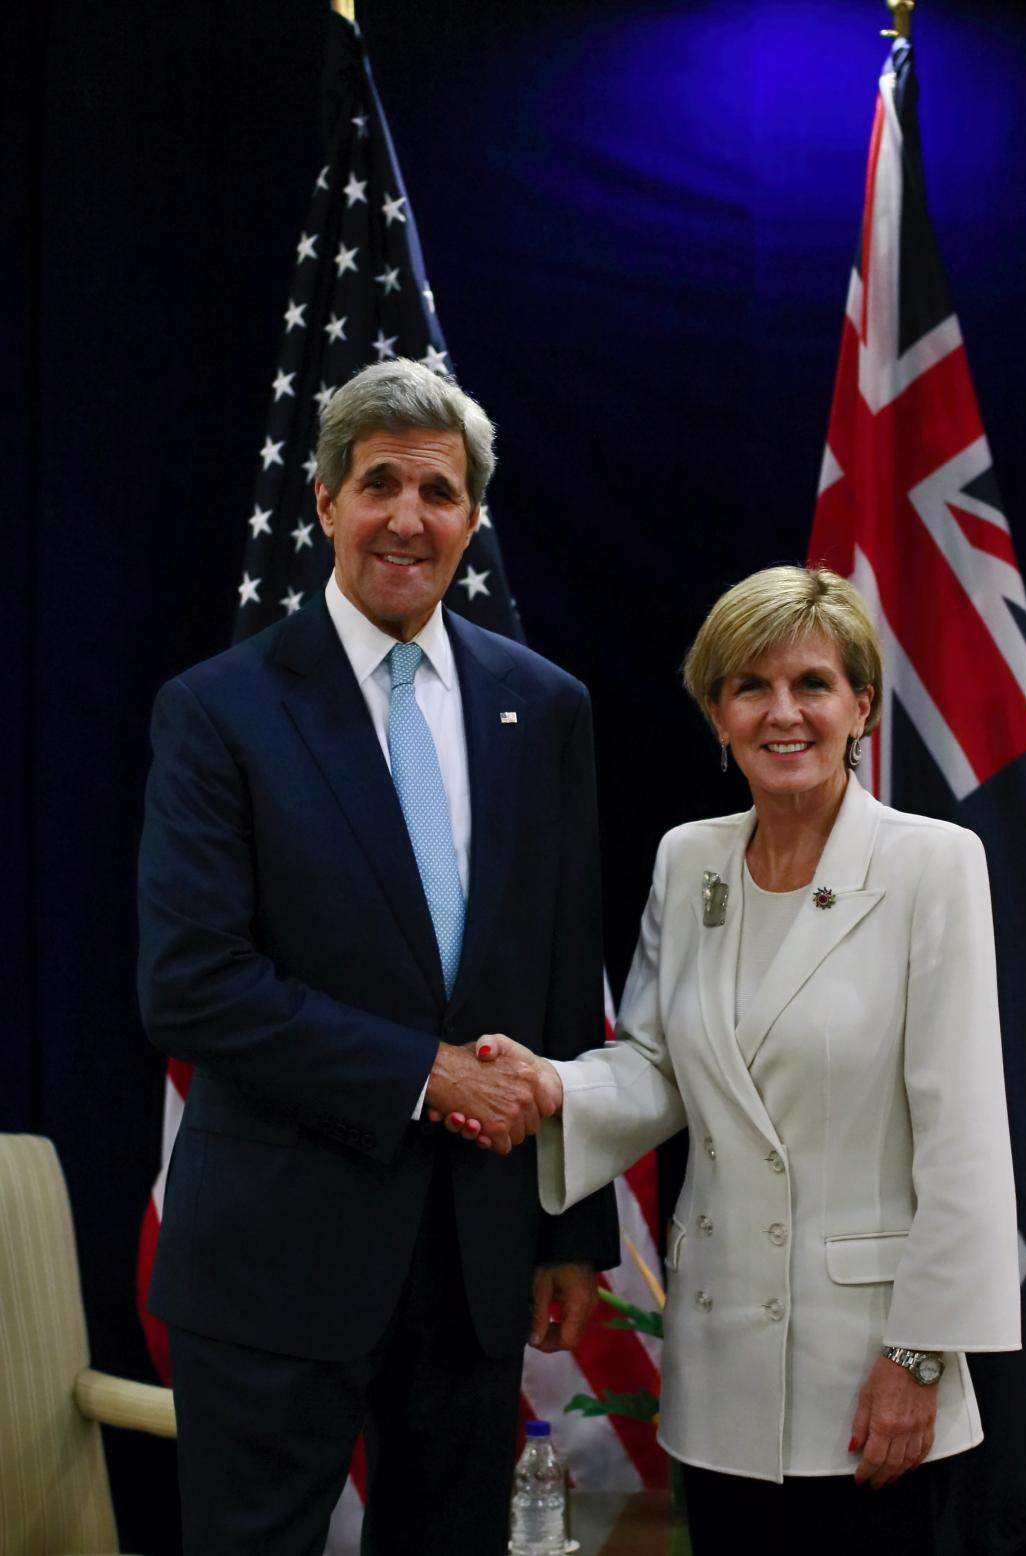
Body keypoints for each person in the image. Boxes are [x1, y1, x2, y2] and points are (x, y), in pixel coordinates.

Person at [137, 357, 618, 1556]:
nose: (409, 517)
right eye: (380, 484)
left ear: (473, 515)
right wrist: (427, 1071)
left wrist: (572, 1229)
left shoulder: (544, 706)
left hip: (477, 1259)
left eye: (439, 491)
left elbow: (566, 975)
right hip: (275, 1256)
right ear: (323, 501)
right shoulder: (220, 709)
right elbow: (191, 981)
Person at [463, 566, 1021, 1553]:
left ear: (862, 706)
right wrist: (551, 1083)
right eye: (749, 686)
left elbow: (966, 1137)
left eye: (812, 683)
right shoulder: (690, 860)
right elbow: (656, 1064)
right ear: (717, 713)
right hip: (722, 1374)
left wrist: (920, 1358)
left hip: (873, 1373)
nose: (783, 711)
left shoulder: (932, 864)